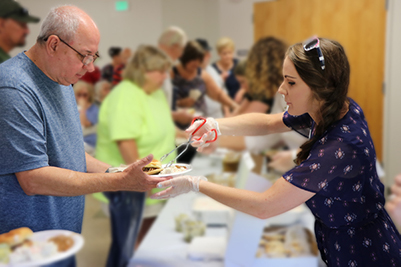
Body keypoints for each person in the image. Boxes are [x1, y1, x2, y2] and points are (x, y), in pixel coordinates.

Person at [153, 37, 401, 266]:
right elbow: (269, 122)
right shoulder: (329, 106)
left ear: (320, 86)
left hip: (365, 252)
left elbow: (264, 206)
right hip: (347, 240)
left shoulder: (339, 147)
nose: (281, 89)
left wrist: (196, 184)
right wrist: (216, 125)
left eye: (291, 82)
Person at [0, 6, 168, 267]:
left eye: (94, 56)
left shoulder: (62, 79)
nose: (90, 68)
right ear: (53, 44)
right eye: (84, 56)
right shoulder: (14, 87)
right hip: (28, 249)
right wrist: (119, 182)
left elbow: (72, 154)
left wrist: (122, 171)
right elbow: (33, 178)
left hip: (61, 238)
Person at [95, 45, 179, 266]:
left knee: (145, 238)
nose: (165, 77)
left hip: (155, 177)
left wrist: (191, 135)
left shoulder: (155, 92)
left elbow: (164, 129)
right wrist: (144, 180)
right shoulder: (125, 95)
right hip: (131, 184)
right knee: (130, 246)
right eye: (160, 71)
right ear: (142, 71)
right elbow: (126, 143)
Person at [172, 40, 238, 123]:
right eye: (193, 61)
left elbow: (218, 94)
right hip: (178, 122)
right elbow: (165, 100)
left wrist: (233, 105)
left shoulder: (201, 73)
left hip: (200, 120)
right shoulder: (172, 73)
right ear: (185, 58)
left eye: (199, 61)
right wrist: (180, 103)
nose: (196, 64)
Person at [157, 26, 194, 125]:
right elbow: (149, 108)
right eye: (182, 49)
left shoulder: (165, 66)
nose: (181, 55)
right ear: (174, 46)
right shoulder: (155, 68)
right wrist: (176, 116)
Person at [195, 38, 227, 119]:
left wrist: (227, 113)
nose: (210, 55)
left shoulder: (211, 69)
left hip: (218, 117)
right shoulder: (190, 73)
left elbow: (222, 92)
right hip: (202, 119)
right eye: (206, 53)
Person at [73, 80, 99, 154]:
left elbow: (84, 124)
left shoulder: (94, 109)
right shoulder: (72, 107)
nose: (82, 98)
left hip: (89, 143)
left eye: (85, 95)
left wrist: (83, 108)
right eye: (79, 95)